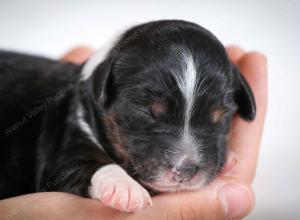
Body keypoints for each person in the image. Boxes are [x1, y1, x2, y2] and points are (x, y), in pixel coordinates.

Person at [0, 46, 267, 220]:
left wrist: (216, 151)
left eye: (215, 122)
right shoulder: (75, 120)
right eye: (153, 115)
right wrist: (107, 175)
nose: (184, 163)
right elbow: (69, 167)